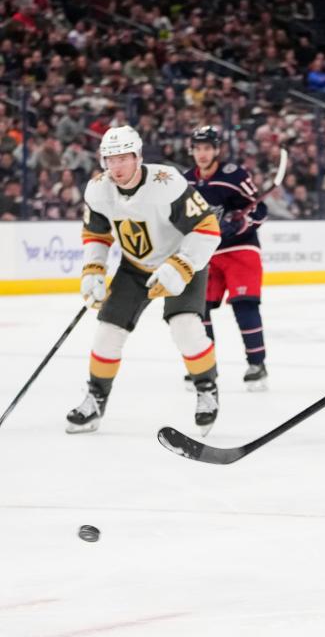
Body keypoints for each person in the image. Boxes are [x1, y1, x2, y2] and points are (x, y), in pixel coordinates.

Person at [68, 126, 222, 435]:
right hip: (135, 266)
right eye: (109, 159)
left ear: (138, 157)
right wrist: (94, 269)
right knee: (107, 332)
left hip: (183, 260)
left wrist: (182, 265)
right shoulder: (98, 189)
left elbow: (207, 229)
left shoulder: (167, 184)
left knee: (186, 328)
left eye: (123, 158)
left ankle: (206, 388)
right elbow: (96, 234)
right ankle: (96, 397)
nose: (116, 167)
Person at [183, 126, 269, 390]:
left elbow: (260, 208)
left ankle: (257, 365)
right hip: (206, 253)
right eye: (198, 149)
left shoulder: (234, 176)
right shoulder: (186, 182)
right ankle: (205, 367)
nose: (203, 153)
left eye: (207, 148)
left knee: (245, 305)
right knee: (200, 311)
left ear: (216, 150)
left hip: (240, 251)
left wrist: (242, 225)